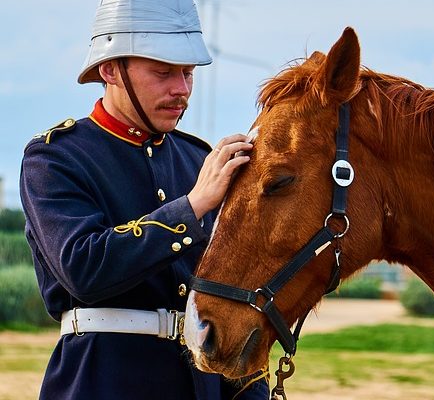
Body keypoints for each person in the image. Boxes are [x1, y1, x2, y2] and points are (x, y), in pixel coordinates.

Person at [19, 0, 268, 399]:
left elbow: (229, 294)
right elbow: (83, 270)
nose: (181, 89)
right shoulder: (55, 157)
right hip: (102, 380)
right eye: (163, 72)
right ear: (110, 69)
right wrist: (193, 206)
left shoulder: (196, 158)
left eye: (188, 73)